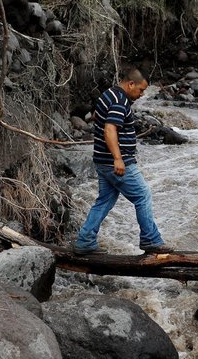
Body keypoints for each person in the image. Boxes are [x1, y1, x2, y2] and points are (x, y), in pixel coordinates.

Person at [73, 68, 173, 255]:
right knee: (142, 195)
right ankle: (150, 240)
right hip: (117, 162)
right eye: (141, 90)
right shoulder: (120, 101)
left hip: (102, 160)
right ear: (131, 84)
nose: (142, 95)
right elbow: (110, 129)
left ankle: (85, 241)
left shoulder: (109, 94)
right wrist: (118, 159)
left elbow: (96, 116)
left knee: (104, 201)